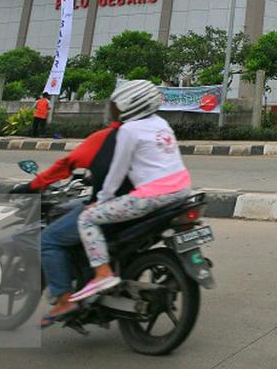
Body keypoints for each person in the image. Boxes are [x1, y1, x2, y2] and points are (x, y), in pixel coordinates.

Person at [69, 80, 192, 301]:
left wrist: (102, 199)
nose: (115, 110)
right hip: (182, 191)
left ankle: (102, 273)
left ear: (129, 104)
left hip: (152, 196)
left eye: (117, 105)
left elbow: (117, 172)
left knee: (87, 219)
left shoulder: (129, 130)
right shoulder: (161, 123)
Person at [15, 118, 134, 327]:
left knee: (49, 238)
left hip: (112, 208)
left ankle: (64, 300)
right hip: (148, 205)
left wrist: (33, 185)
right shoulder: (150, 136)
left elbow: (66, 165)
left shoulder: (104, 137)